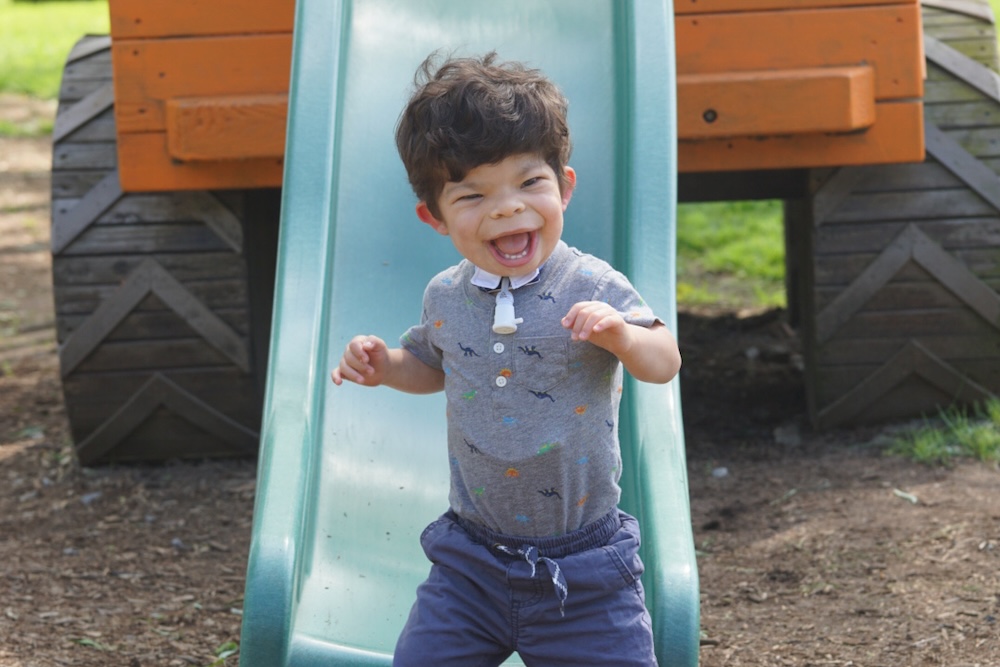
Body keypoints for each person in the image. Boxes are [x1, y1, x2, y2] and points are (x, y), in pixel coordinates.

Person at [331, 52, 681, 667]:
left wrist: (623, 338)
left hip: (585, 571)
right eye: (472, 195)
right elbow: (432, 367)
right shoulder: (445, 295)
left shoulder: (591, 284)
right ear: (434, 217)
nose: (506, 208)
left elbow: (664, 360)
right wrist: (385, 365)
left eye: (529, 183)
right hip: (470, 566)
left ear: (564, 186)